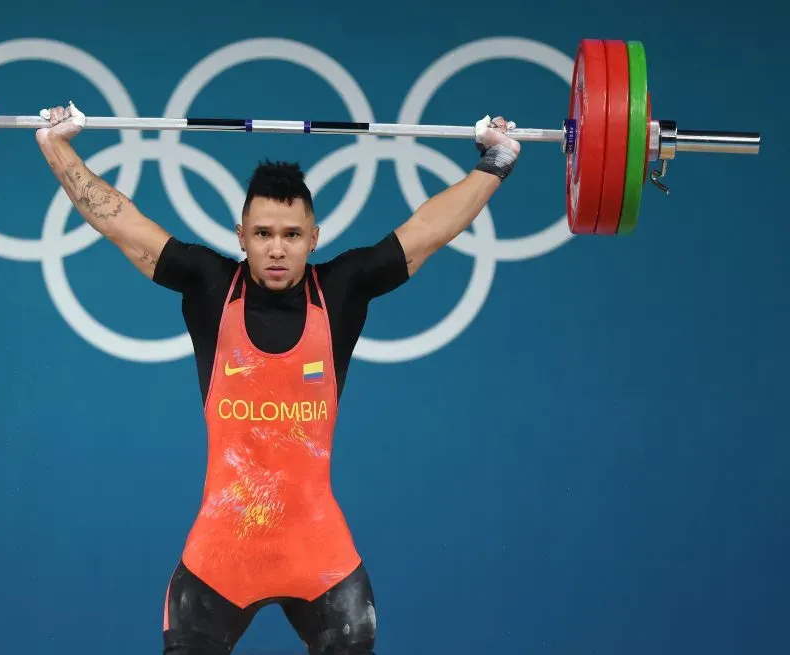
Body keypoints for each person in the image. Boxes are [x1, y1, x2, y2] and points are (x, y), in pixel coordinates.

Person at [35, 101, 520, 655]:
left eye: (291, 234)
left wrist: (496, 163)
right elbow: (120, 222)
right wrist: (57, 147)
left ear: (314, 238)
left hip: (320, 558)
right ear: (240, 235)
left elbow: (429, 231)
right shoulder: (208, 286)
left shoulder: (341, 291)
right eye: (263, 232)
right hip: (220, 559)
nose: (276, 247)